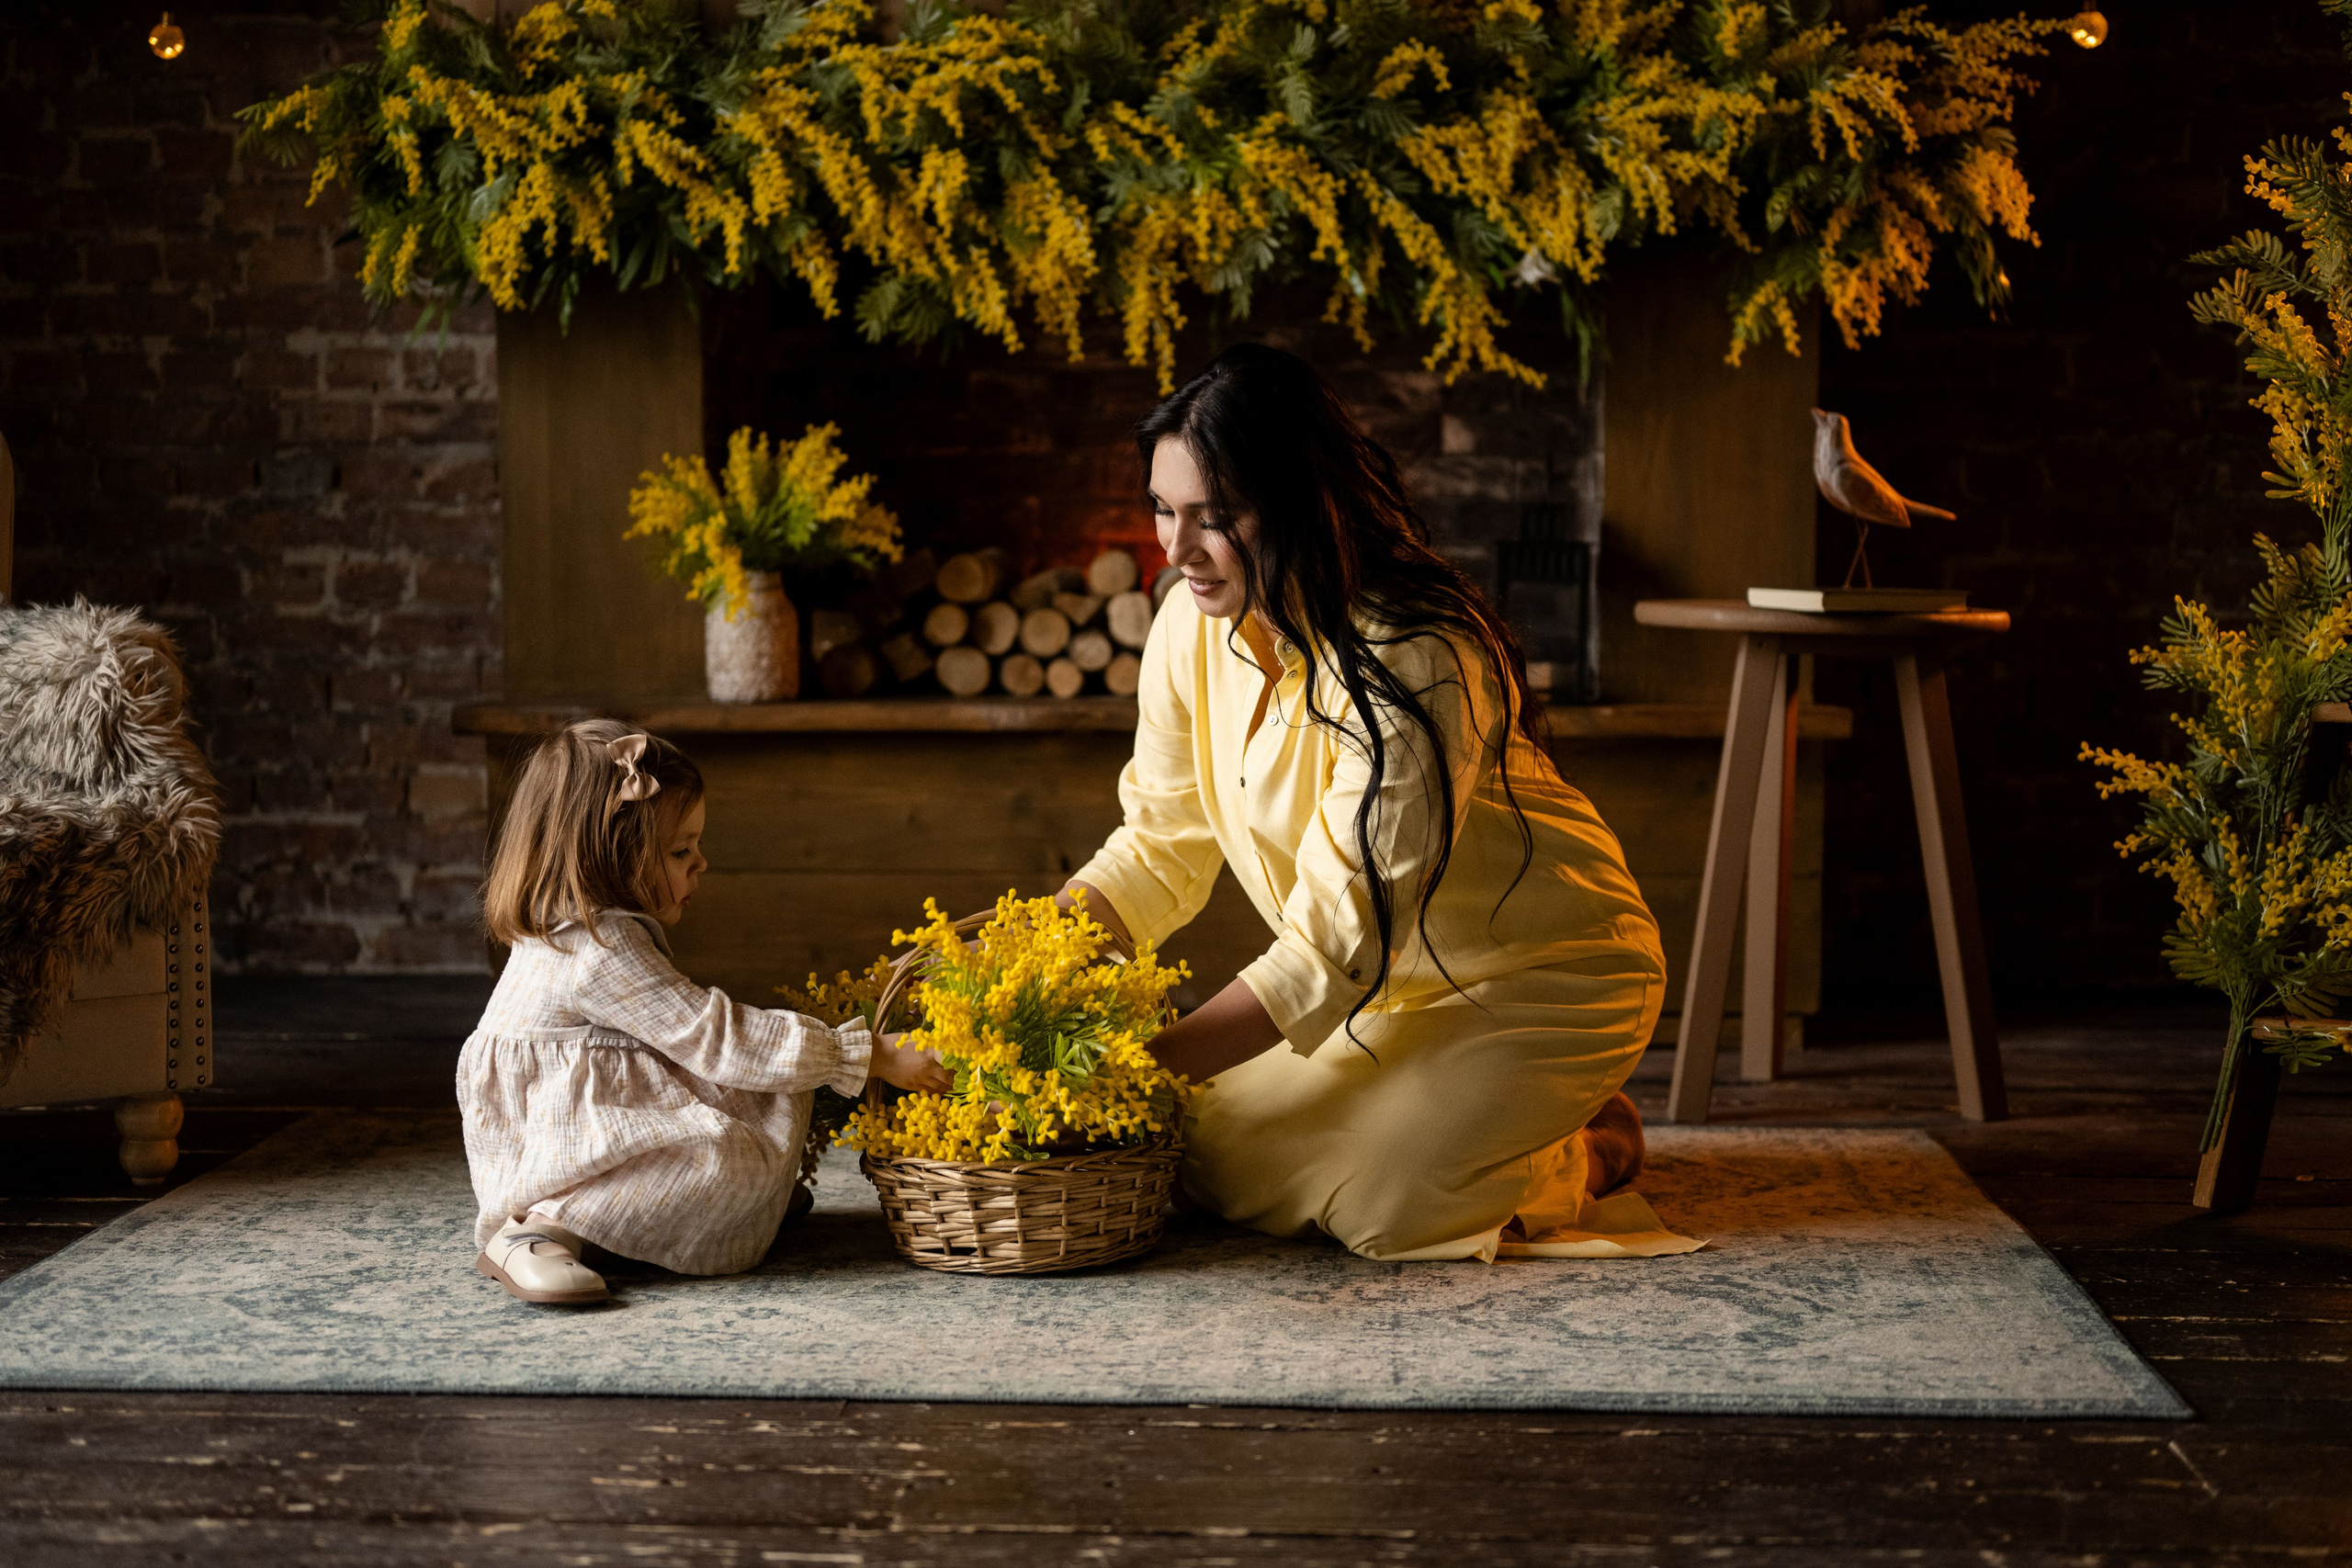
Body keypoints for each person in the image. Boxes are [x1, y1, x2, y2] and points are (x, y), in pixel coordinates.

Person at [1063, 344, 1697, 1263]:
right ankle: (1467, 1113)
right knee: (1190, 1147)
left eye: (1216, 516)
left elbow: (1329, 945)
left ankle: (1585, 1144)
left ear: (1295, 499)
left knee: (1389, 1208)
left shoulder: (1417, 655)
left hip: (1544, 975)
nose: (1174, 549)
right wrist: (1025, 952)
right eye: (1163, 510)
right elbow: (1160, 844)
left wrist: (1113, 1070)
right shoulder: (1185, 626)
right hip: (1384, 991)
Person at [459, 718, 950, 1304]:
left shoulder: (573, 925)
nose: (701, 864)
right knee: (726, 1148)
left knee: (755, 1093)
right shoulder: (599, 951)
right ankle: (536, 1234)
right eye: (679, 850)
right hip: (564, 1127)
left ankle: (729, 1207)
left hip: (581, 1104)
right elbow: (717, 1037)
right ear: (612, 854)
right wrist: (868, 1054)